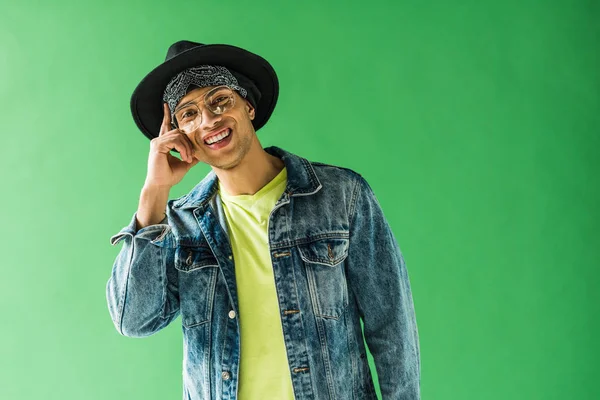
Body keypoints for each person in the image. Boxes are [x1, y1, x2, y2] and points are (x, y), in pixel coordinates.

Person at [106, 40, 421, 400]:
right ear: (178, 135)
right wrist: (153, 195)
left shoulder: (341, 196)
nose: (209, 120)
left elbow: (391, 326)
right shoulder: (178, 227)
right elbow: (133, 320)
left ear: (249, 106)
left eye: (219, 100)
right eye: (189, 113)